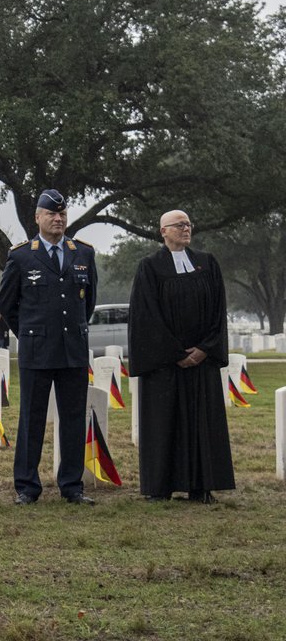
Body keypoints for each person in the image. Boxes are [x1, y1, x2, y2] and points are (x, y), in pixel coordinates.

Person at [0, 189, 97, 506]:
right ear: (37, 217)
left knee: (72, 418)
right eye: (51, 214)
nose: (58, 219)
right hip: (37, 350)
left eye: (62, 214)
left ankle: (71, 485)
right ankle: (27, 486)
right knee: (31, 420)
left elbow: (88, 302)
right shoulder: (22, 255)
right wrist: (30, 332)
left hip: (73, 350)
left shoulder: (83, 253)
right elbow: (7, 305)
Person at [127, 210, 234, 503]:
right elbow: (146, 315)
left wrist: (204, 349)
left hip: (202, 360)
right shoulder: (149, 267)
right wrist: (175, 354)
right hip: (165, 365)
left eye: (188, 224)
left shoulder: (207, 263)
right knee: (164, 425)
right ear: (163, 231)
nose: (185, 229)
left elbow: (217, 311)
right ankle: (160, 487)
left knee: (201, 424)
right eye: (179, 225)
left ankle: (201, 486)